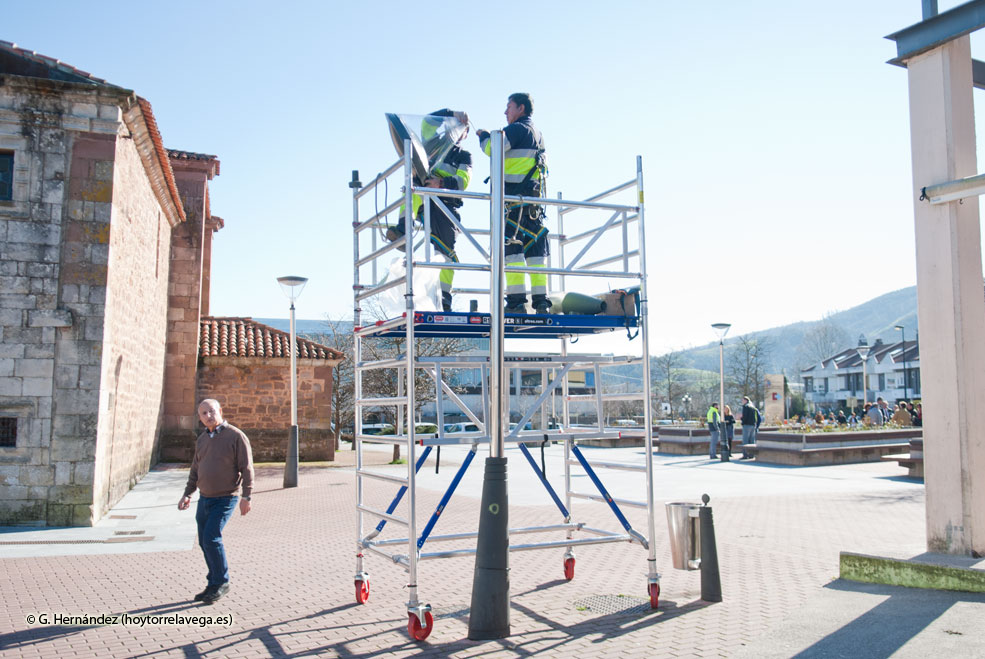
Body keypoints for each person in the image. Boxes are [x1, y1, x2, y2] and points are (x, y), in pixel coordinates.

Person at [387, 109, 473, 312]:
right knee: (412, 191)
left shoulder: (464, 156)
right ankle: (403, 230)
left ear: (465, 134)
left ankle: (444, 298)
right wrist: (450, 112)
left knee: (446, 253)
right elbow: (427, 122)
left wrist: (441, 182)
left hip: (446, 203)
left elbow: (464, 180)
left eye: (463, 129)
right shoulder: (433, 142)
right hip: (424, 196)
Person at [476, 93, 549, 313]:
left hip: (513, 204)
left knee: (513, 251)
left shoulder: (516, 130)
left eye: (509, 107)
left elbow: (493, 148)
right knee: (536, 254)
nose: (505, 111)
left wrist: (484, 136)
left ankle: (517, 303)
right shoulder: (538, 134)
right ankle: (541, 302)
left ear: (521, 108)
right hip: (532, 206)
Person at [178, 399, 254, 604]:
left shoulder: (235, 436)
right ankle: (213, 583)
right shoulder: (202, 439)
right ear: (200, 418)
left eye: (211, 411)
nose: (208, 416)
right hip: (205, 498)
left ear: (220, 411)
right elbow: (196, 468)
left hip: (225, 498)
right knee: (204, 541)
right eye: (203, 413)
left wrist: (247, 496)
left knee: (212, 537)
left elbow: (247, 468)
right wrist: (187, 493)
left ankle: (222, 582)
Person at [740, 396, 757, 460]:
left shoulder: (746, 406)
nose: (742, 402)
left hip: (746, 425)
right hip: (752, 425)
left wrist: (742, 421)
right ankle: (751, 454)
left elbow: (745, 416)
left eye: (743, 400)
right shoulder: (753, 406)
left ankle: (745, 454)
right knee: (752, 440)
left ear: (746, 400)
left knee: (745, 440)